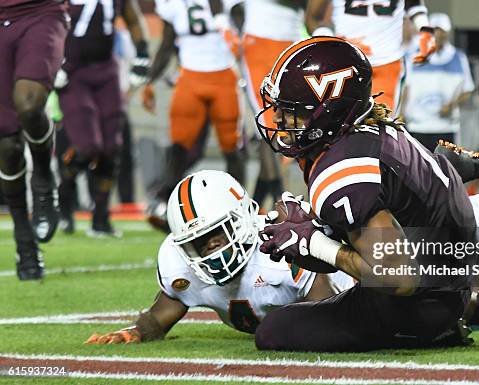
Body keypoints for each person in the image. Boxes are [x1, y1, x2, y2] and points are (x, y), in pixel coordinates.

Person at [254, 37, 479, 351]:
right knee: (435, 283)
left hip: (423, 288)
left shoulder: (342, 168)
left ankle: (460, 318)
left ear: (328, 109)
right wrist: (314, 233)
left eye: (292, 110)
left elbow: (399, 279)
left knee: (274, 330)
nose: (281, 121)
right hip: (447, 254)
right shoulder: (375, 128)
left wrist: (316, 242)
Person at [84, 170, 354, 344]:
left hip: (356, 287)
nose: (211, 247)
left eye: (218, 233)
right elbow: (162, 313)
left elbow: (328, 314)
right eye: (198, 242)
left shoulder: (279, 248)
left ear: (244, 220)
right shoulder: (180, 264)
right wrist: (133, 332)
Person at [143, 0, 244, 231]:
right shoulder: (173, 4)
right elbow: (167, 45)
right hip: (190, 77)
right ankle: (166, 204)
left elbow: (241, 32)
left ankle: (238, 206)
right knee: (179, 146)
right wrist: (150, 80)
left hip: (223, 77)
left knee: (232, 146)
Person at [56, 0, 150, 237]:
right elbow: (45, 19)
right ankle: (64, 197)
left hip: (106, 69)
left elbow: (133, 16)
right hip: (73, 71)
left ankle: (100, 217)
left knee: (111, 147)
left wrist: (142, 52)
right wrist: (50, 58)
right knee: (88, 146)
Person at [0, 0, 69, 280]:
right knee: (7, 144)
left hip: (41, 11)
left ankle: (42, 178)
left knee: (29, 105)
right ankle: (24, 239)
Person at [232, 0, 306, 208]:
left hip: (293, 42)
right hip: (260, 41)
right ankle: (283, 206)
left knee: (284, 127)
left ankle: (252, 206)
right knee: (273, 124)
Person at [305, 0, 435, 113]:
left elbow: (413, 4)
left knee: (380, 128)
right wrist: (332, 41)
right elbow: (313, 18)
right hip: (345, 63)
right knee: (338, 127)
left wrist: (424, 28)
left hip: (388, 62)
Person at [401, 13, 475, 152]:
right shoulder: (412, 56)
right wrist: (401, 114)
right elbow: (406, 87)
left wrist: (452, 105)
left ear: (447, 33)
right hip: (418, 125)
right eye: (435, 30)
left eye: (442, 31)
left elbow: (467, 90)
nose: (438, 34)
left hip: (447, 127)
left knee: (445, 169)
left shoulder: (459, 57)